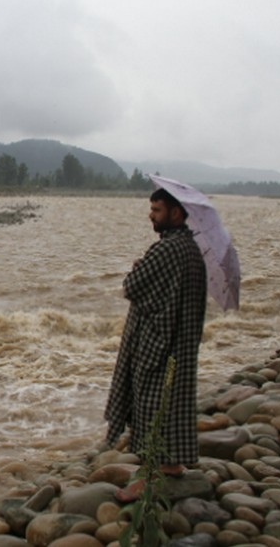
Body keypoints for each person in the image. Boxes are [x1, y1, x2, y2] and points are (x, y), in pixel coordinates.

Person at [104, 187, 207, 501]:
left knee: (151, 406)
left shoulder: (165, 250)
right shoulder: (191, 249)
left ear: (176, 213)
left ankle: (150, 476)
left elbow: (133, 287)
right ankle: (170, 464)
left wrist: (137, 268)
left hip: (158, 345)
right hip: (181, 343)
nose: (151, 215)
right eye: (151, 209)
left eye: (157, 210)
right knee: (174, 404)